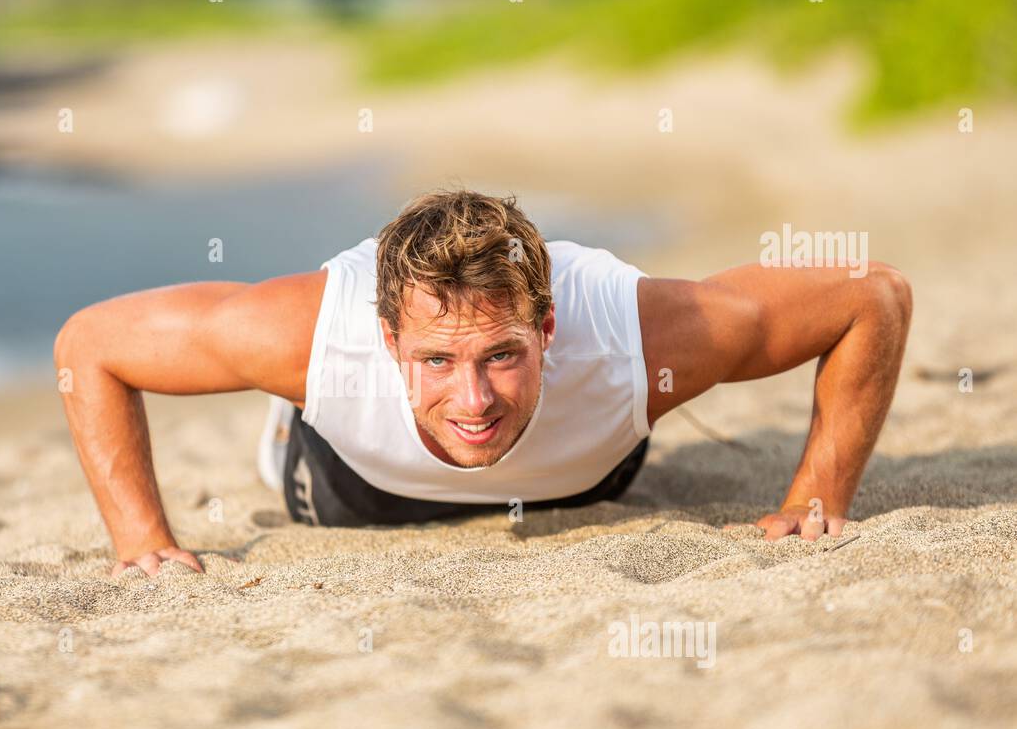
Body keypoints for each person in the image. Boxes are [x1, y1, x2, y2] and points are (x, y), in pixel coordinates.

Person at [54, 189, 912, 577]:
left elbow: (872, 297)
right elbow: (90, 345)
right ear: (389, 340)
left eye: (502, 354)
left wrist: (815, 493)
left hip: (583, 480)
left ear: (547, 327)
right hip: (353, 486)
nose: (473, 402)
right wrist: (140, 543)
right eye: (436, 360)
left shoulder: (636, 334)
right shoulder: (311, 336)